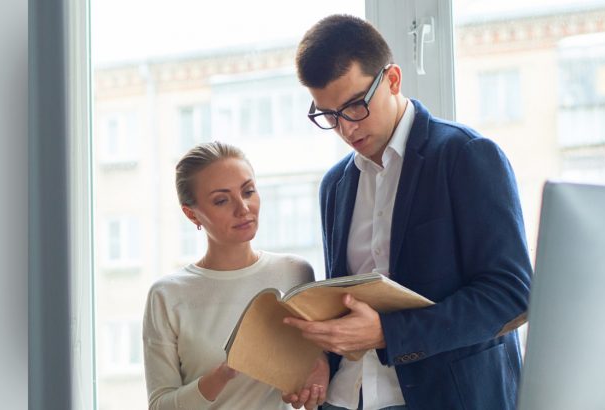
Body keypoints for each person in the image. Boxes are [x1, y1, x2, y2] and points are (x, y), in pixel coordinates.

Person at [281, 15, 533, 410]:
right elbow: (345, 302)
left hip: (449, 398)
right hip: (349, 399)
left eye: (353, 107)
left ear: (393, 80)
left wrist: (387, 334)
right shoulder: (335, 185)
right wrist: (321, 360)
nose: (345, 129)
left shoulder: (465, 156)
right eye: (328, 116)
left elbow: (512, 296)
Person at [143, 141, 328, 410]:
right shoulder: (167, 295)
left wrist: (318, 369)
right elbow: (160, 405)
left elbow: (317, 361)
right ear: (191, 214)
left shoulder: (295, 273)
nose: (243, 208)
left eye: (248, 191)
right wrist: (221, 376)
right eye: (221, 200)